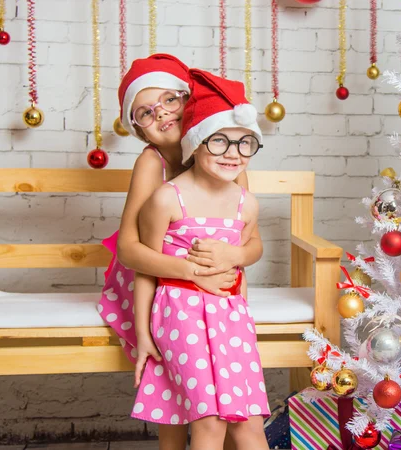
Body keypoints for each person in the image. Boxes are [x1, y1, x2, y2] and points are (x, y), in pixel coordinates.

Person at [131, 69, 270, 450]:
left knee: (249, 424)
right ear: (196, 143)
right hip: (182, 314)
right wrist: (143, 332)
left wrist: (237, 255)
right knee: (208, 423)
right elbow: (144, 264)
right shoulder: (166, 197)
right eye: (220, 142)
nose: (233, 154)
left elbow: (250, 248)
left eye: (245, 145)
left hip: (230, 317)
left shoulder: (244, 201)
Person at [98, 54, 263, 366]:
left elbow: (246, 239)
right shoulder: (151, 162)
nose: (161, 113)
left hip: (205, 276)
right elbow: (129, 251)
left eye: (169, 99)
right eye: (145, 112)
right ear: (140, 131)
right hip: (152, 273)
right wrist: (193, 274)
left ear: (190, 101)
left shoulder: (225, 158)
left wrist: (235, 257)